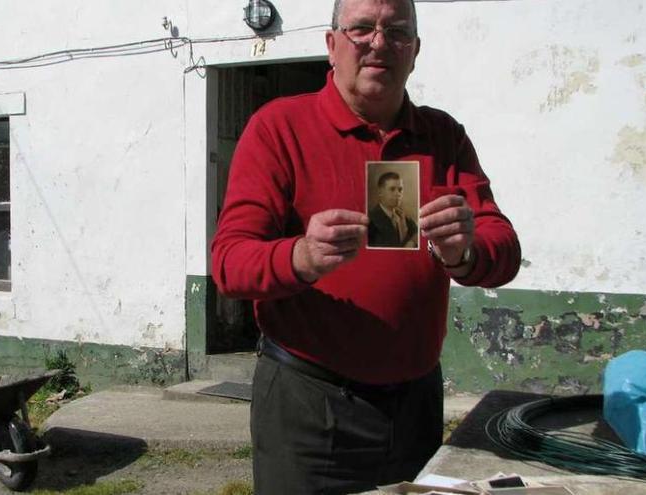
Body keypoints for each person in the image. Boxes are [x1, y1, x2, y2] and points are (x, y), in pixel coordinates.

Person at [210, 0, 521, 492]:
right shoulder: (278, 128)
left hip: (416, 401)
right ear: (332, 45)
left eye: (397, 32)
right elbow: (229, 264)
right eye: (361, 29)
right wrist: (301, 256)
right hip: (310, 403)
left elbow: (503, 247)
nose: (379, 43)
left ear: (415, 51)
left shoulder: (442, 136)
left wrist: (466, 253)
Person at [368, 171, 418, 248]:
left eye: (400, 189)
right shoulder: (370, 219)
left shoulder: (406, 219)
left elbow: (419, 236)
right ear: (380, 192)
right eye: (392, 189)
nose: (398, 194)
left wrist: (412, 242)